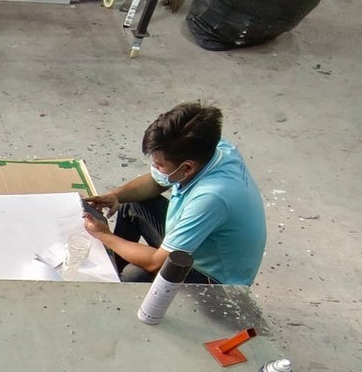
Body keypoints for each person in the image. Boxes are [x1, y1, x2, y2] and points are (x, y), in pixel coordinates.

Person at [84, 102, 266, 285]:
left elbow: (155, 262)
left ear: (187, 168)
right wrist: (115, 196)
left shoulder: (211, 197)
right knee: (132, 203)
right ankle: (113, 272)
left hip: (214, 277)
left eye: (159, 165)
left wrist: (104, 235)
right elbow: (157, 181)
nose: (154, 168)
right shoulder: (211, 147)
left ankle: (119, 290)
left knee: (136, 275)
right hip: (201, 244)